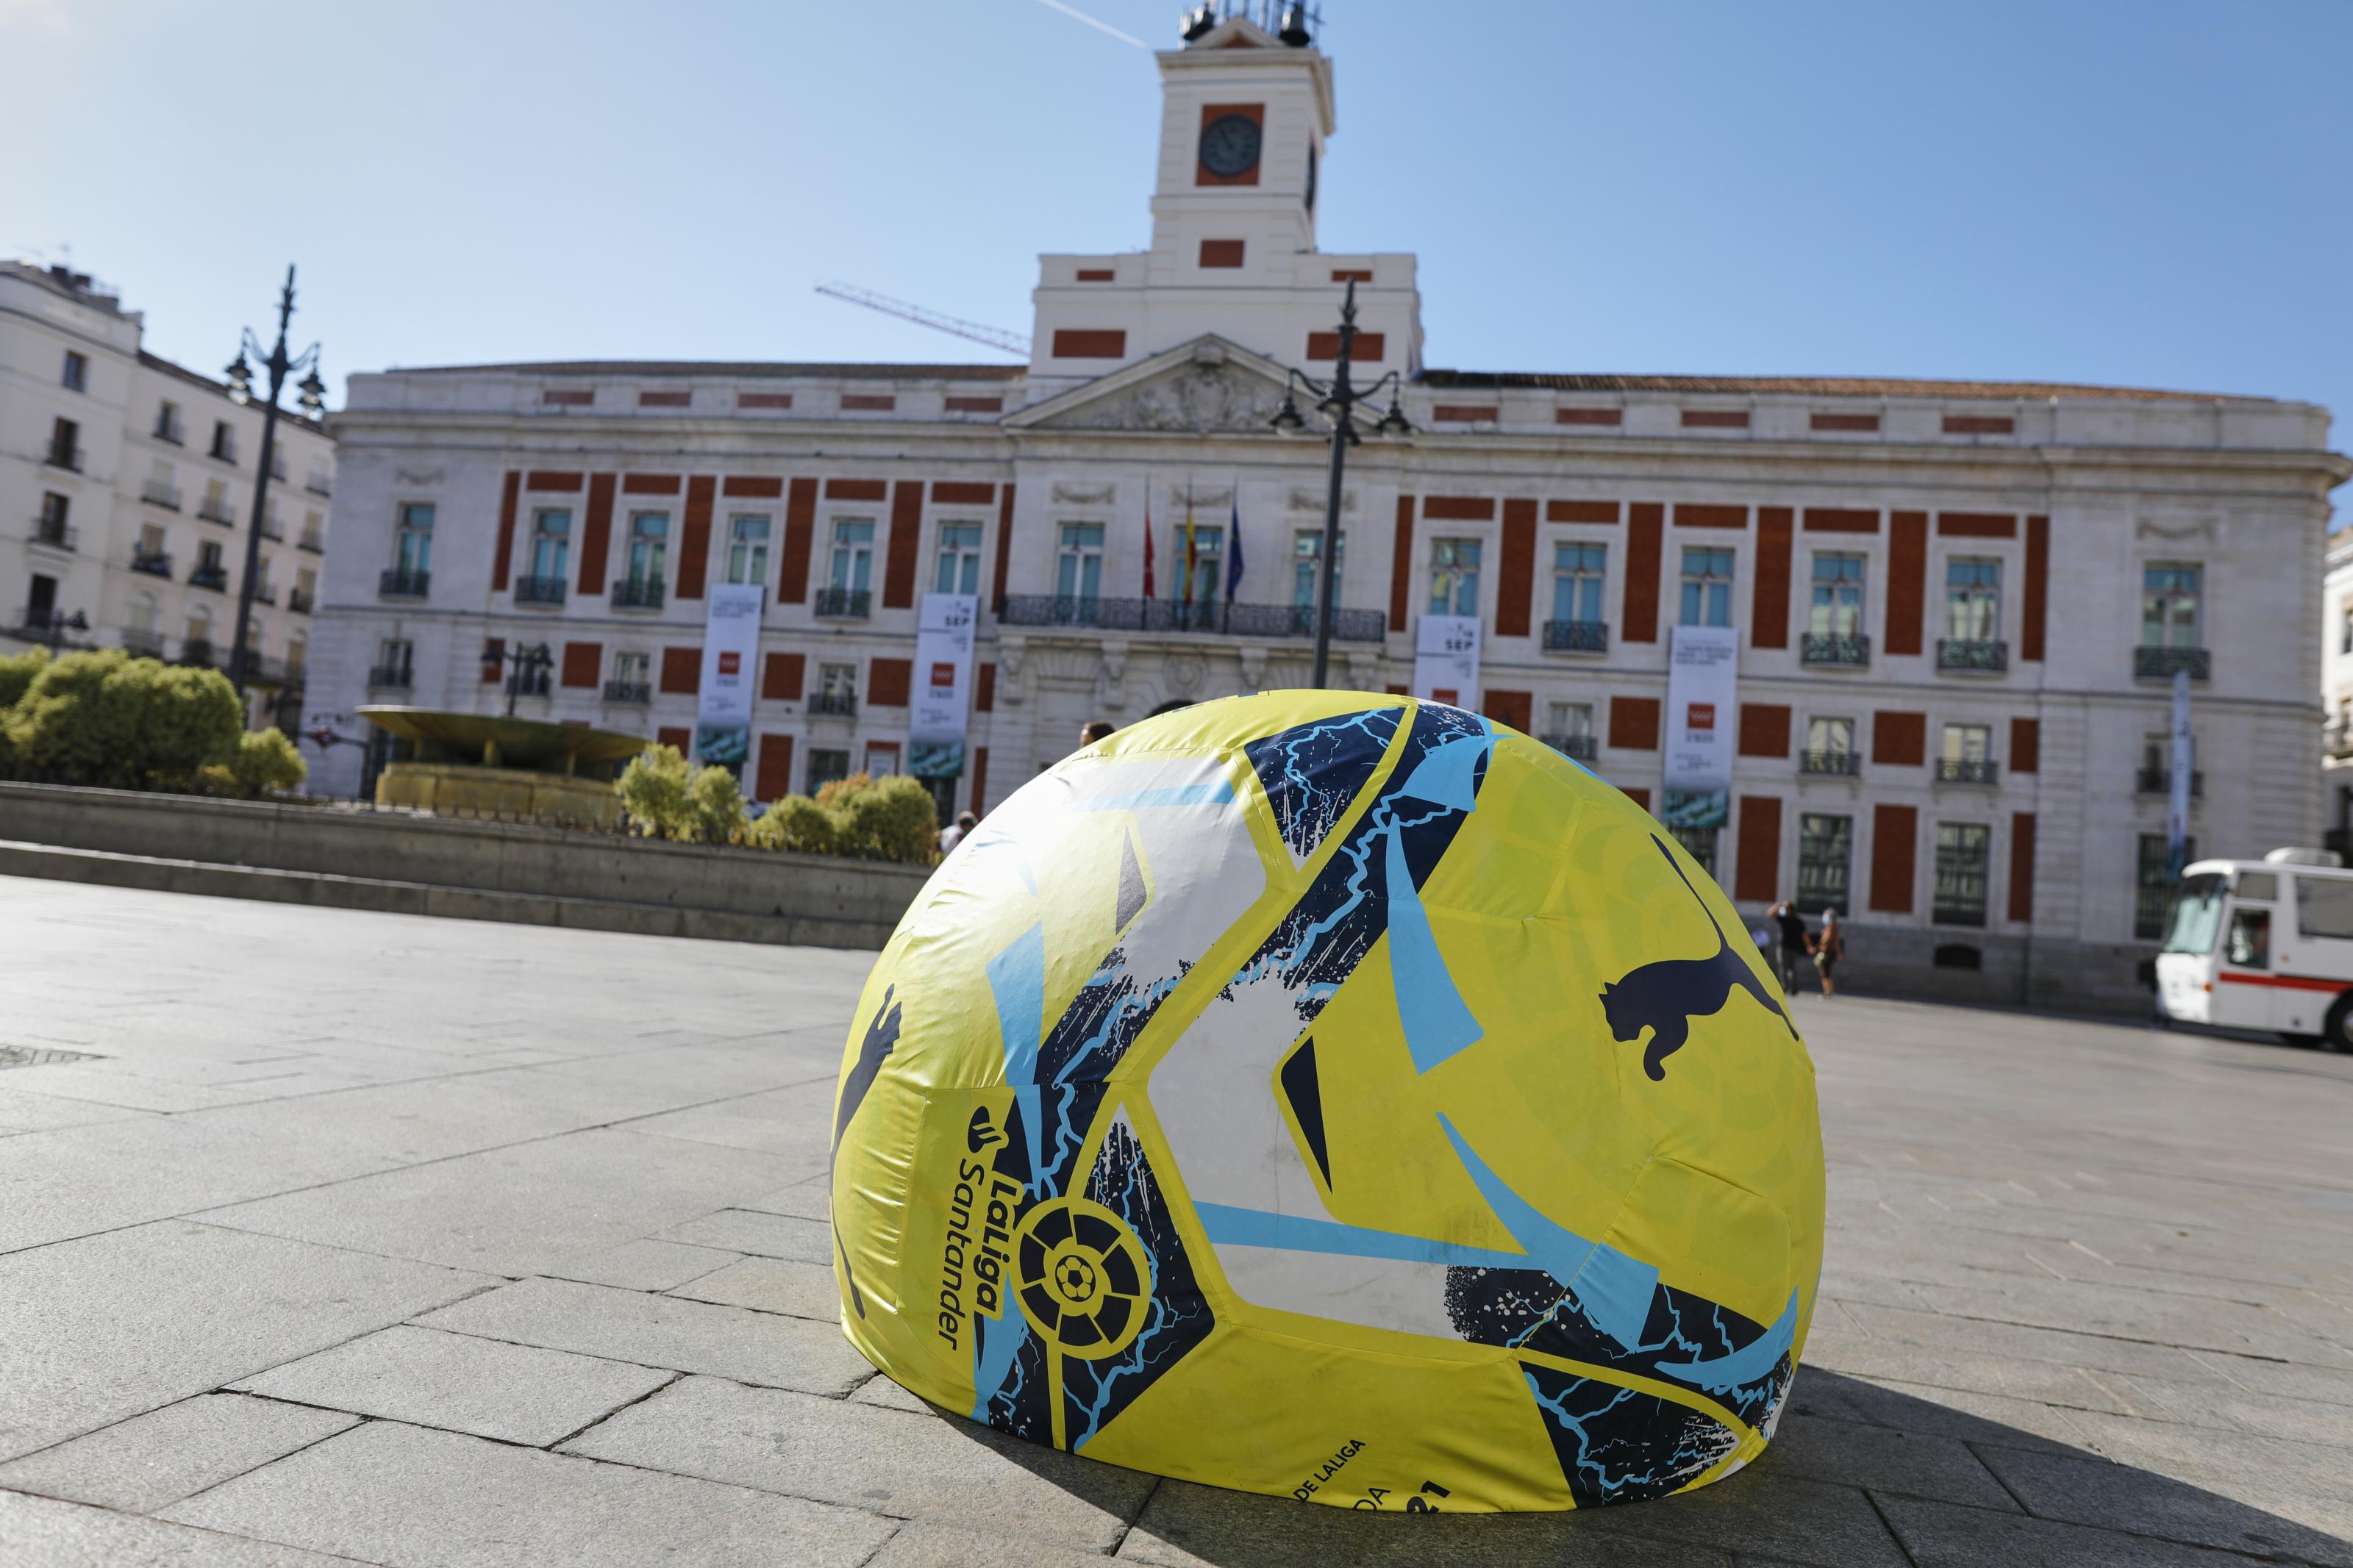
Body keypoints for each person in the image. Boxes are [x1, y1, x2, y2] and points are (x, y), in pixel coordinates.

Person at [1768, 901, 1811, 995]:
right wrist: (1778, 905)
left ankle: (1793, 987)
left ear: (1791, 910)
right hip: (1783, 947)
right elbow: (1770, 913)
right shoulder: (1783, 919)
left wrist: (1809, 946)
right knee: (1784, 967)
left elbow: (1805, 935)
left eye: (1785, 908)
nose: (1783, 909)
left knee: (1791, 968)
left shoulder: (1798, 921)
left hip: (1793, 948)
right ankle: (1785, 987)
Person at [1814, 909, 1846, 998]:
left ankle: (1828, 992)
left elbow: (1826, 940)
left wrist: (1817, 948)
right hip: (1830, 952)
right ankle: (1829, 991)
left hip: (1828, 952)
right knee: (1826, 972)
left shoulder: (1831, 927)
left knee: (1825, 972)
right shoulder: (1833, 927)